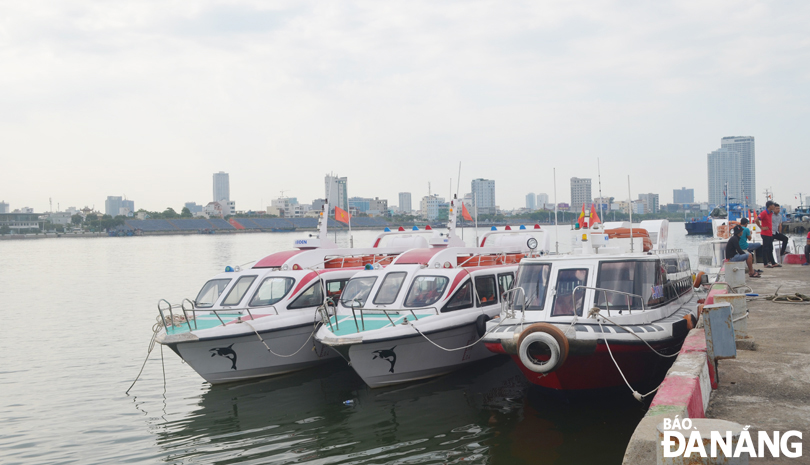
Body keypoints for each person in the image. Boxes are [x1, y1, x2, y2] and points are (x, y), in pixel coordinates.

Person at [756, 201, 775, 268]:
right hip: (765, 233)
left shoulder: (771, 213)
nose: (774, 206)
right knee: (765, 249)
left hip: (770, 233)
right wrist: (761, 227)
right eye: (773, 205)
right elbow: (756, 220)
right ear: (769, 206)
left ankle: (773, 262)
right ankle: (765, 263)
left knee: (770, 248)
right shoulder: (764, 213)